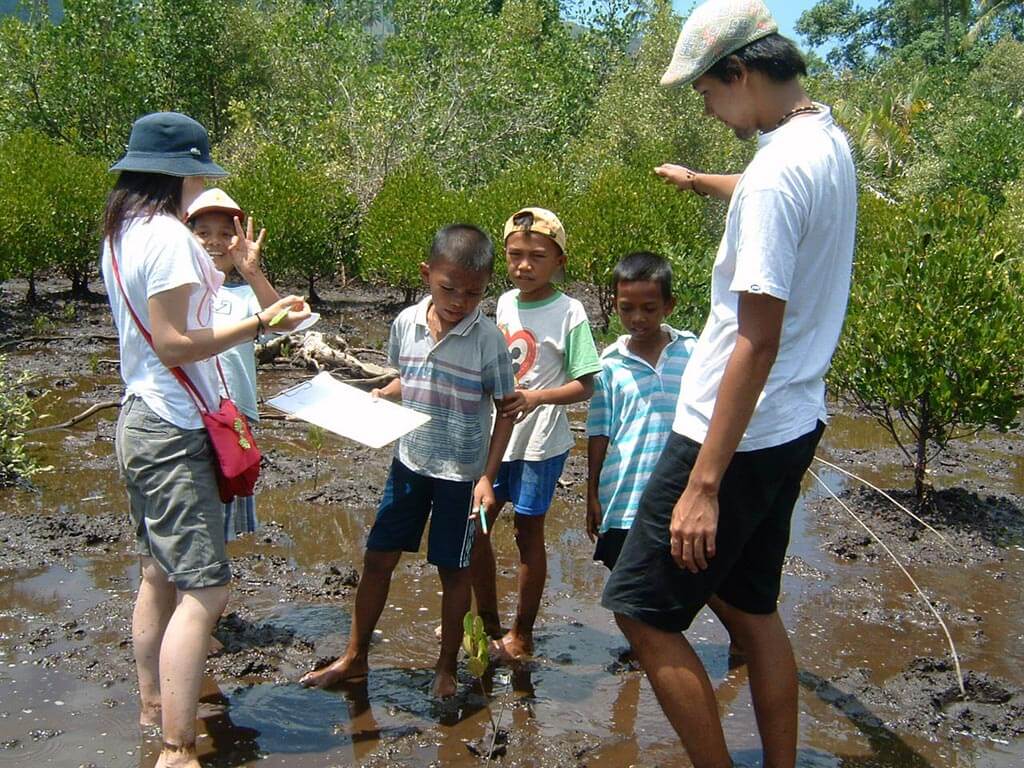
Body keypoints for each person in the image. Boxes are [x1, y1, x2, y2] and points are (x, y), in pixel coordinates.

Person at [601, 2, 857, 766]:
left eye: (707, 92)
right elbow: (759, 189)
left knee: (642, 610)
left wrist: (703, 483)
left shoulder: (777, 174)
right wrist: (698, 180)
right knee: (751, 611)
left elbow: (757, 337)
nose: (708, 108)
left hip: (731, 431)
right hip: (791, 421)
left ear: (741, 72)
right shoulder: (821, 137)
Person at [102, 112, 309, 768]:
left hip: (140, 417)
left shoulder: (121, 232)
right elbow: (173, 345)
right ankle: (176, 748)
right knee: (206, 588)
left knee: (160, 573)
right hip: (172, 426)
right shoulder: (165, 237)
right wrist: (255, 327)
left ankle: (152, 707)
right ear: (181, 174)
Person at [300, 224, 516, 698]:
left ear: (487, 288)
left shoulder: (488, 340)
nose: (459, 301)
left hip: (461, 476)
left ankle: (446, 668)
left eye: (473, 293)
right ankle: (355, 658)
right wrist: (380, 394)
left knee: (453, 570)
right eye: (448, 289)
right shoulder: (405, 324)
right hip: (410, 461)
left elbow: (507, 408)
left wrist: (488, 476)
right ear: (426, 274)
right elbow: (409, 377)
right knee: (378, 558)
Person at [471, 206, 602, 661]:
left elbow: (587, 383)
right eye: (515, 255)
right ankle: (488, 623)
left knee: (529, 531)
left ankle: (522, 632)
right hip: (496, 436)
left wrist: (536, 398)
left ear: (559, 261)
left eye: (537, 256)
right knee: (477, 525)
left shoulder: (570, 311)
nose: (524, 265)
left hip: (541, 440)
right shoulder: (505, 303)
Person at [586, 252, 696, 572]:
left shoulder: (692, 352)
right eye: (626, 308)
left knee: (670, 587)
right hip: (623, 498)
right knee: (626, 590)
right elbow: (599, 432)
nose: (637, 318)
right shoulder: (609, 364)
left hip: (678, 499)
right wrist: (592, 494)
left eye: (649, 309)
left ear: (669, 306)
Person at [186, 188, 278, 541]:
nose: (215, 242)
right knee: (193, 522)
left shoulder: (242, 297)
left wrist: (251, 271)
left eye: (226, 234)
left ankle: (207, 587)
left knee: (220, 525)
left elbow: (285, 319)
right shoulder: (176, 293)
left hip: (233, 423)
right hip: (190, 419)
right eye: (203, 232)